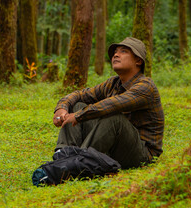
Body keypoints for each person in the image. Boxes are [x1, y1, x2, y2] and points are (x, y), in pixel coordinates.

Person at [52, 37, 164, 169]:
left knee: (114, 118)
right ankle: (63, 155)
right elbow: (80, 95)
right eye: (115, 52)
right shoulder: (113, 83)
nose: (116, 55)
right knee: (78, 105)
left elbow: (113, 104)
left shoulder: (146, 86)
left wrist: (77, 115)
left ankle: (78, 162)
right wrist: (62, 108)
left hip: (142, 154)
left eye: (123, 51)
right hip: (116, 147)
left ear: (138, 61)